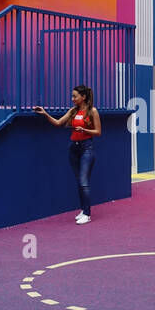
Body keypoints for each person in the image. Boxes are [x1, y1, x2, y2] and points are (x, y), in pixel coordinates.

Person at [35, 85, 101, 224]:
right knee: (79, 181)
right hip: (73, 148)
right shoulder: (73, 111)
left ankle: (87, 214)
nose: (72, 99)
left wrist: (84, 130)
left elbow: (98, 132)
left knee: (84, 182)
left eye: (75, 96)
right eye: (72, 96)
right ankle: (83, 210)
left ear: (83, 97)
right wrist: (45, 114)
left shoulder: (92, 111)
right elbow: (58, 123)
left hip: (86, 148)